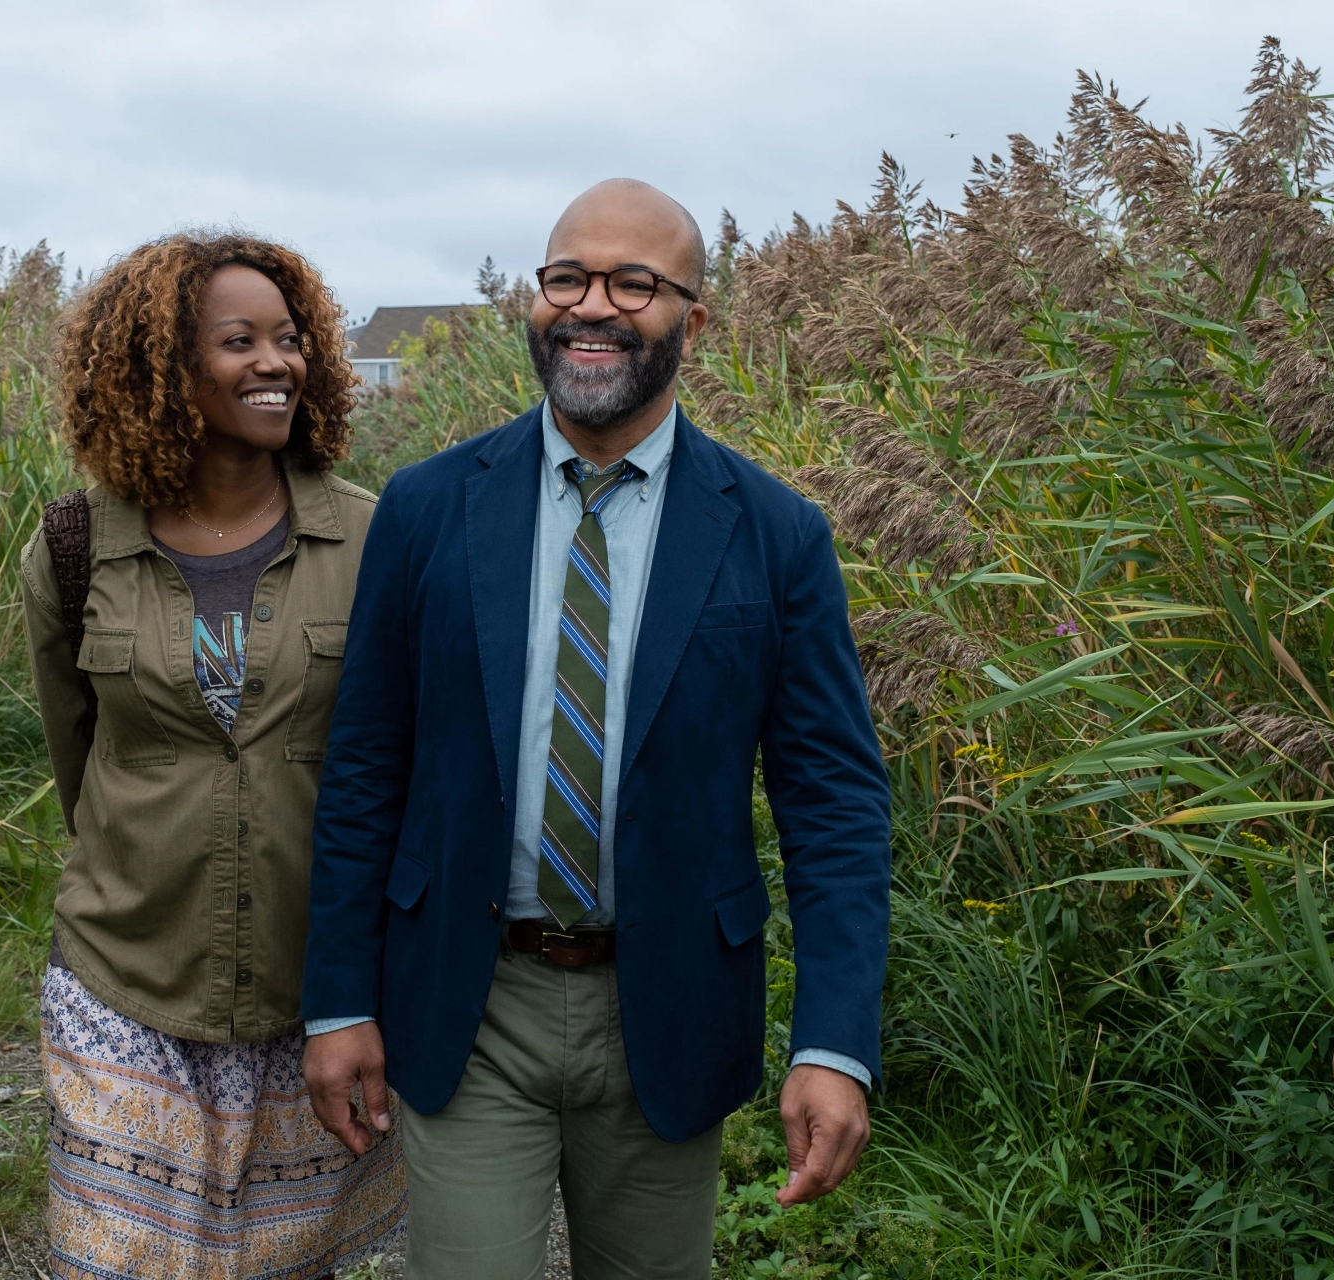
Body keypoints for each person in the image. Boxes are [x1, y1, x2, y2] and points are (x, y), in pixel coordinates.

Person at [299, 179, 892, 1278]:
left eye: (635, 282)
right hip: (470, 998)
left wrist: (834, 1040)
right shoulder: (427, 507)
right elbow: (367, 764)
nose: (592, 306)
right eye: (567, 276)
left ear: (693, 321)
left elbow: (834, 801)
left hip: (666, 1000)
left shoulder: (773, 533)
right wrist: (336, 997)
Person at [22, 232, 405, 1280]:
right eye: (239, 340)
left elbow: (399, 769)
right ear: (160, 367)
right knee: (119, 1261)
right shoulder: (74, 546)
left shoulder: (378, 541)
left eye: (290, 339)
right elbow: (80, 756)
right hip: (123, 975)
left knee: (285, 1264)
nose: (274, 361)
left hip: (309, 990)